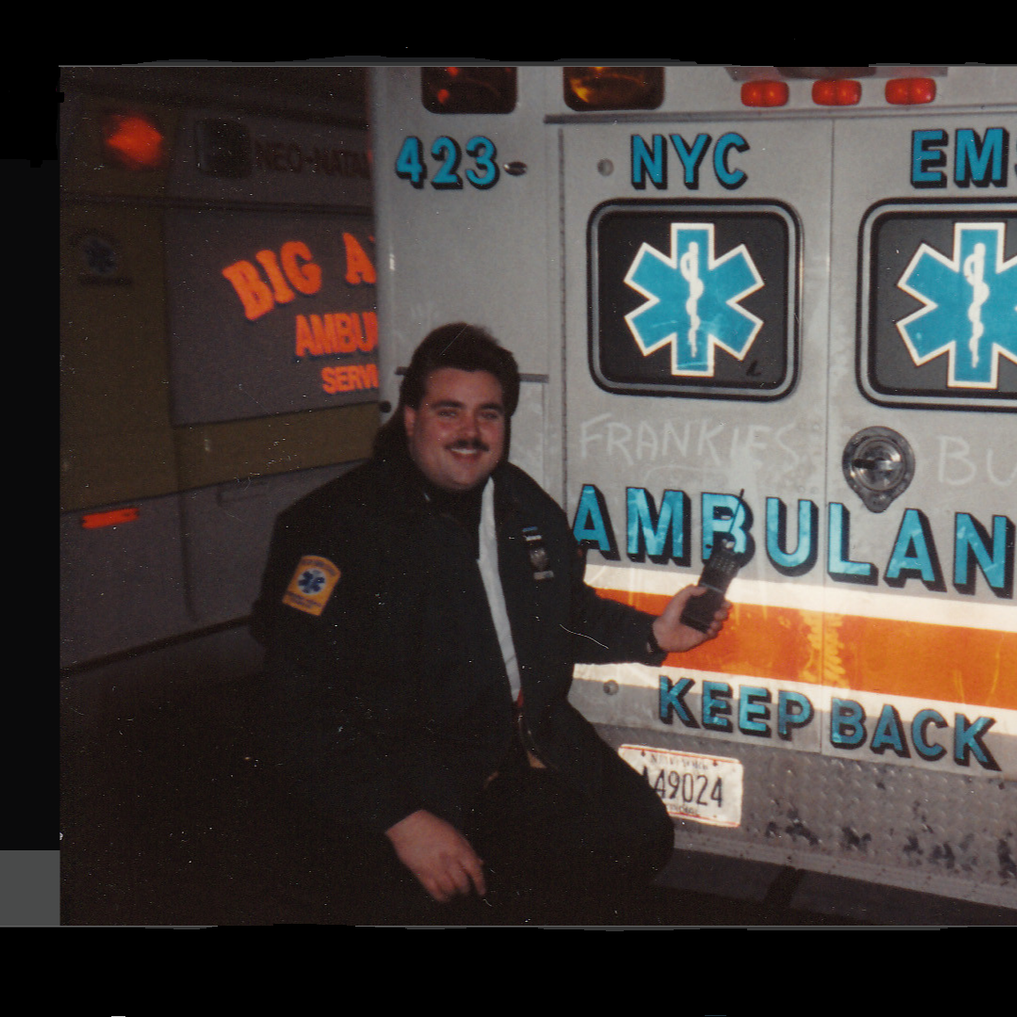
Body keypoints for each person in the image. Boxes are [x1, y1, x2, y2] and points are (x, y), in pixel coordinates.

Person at [250, 322, 727, 924]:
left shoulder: (520, 503)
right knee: (452, 895)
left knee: (635, 834)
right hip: (403, 775)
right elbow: (296, 708)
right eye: (448, 412)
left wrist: (653, 635)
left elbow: (564, 613)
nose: (470, 432)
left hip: (519, 744)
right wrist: (404, 822)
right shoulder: (336, 528)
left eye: (489, 414)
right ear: (410, 418)